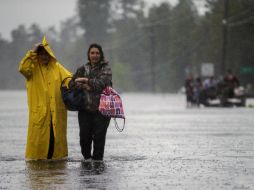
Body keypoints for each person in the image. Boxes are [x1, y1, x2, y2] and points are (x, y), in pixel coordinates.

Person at [19, 36, 72, 160]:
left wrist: (79, 82)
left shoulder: (57, 67)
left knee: (56, 154)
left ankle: (55, 176)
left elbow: (69, 79)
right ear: (37, 55)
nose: (44, 57)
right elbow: (22, 68)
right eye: (41, 54)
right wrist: (33, 50)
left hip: (56, 116)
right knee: (37, 155)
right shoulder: (31, 70)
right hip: (40, 117)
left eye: (46, 54)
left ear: (50, 55)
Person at [69, 43, 112, 161]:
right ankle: (87, 160)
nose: (95, 55)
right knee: (84, 138)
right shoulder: (82, 69)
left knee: (99, 139)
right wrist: (83, 86)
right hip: (84, 109)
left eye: (97, 53)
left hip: (102, 111)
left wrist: (86, 81)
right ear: (88, 55)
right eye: (92, 53)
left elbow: (102, 84)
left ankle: (98, 166)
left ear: (101, 55)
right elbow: (71, 84)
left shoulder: (106, 69)